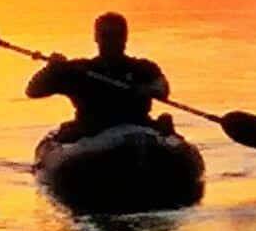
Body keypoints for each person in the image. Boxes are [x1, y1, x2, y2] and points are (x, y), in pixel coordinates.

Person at [25, 13, 171, 141]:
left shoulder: (143, 68)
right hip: (91, 131)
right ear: (96, 37)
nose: (111, 41)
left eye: (117, 35)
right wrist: (51, 70)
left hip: (138, 126)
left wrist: (149, 89)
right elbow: (33, 91)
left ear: (125, 37)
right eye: (106, 35)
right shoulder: (79, 70)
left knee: (164, 123)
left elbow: (163, 87)